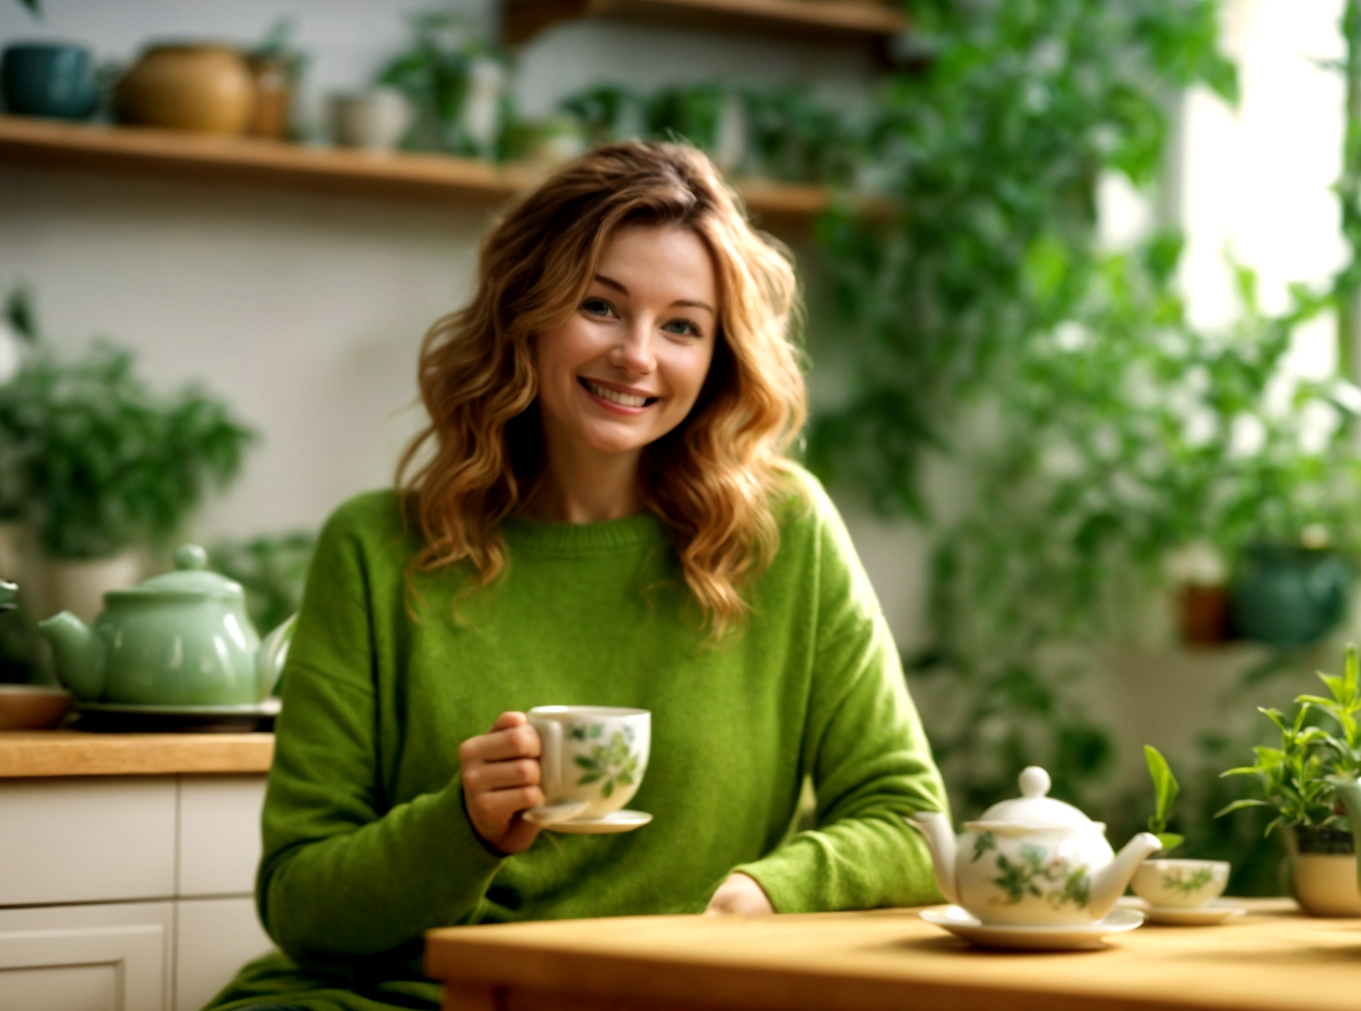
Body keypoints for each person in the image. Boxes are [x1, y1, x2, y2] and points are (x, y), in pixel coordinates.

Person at [206, 141, 947, 1011]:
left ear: (717, 357)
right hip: (401, 996)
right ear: (527, 311)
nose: (637, 354)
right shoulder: (374, 549)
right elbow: (301, 904)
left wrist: (764, 893)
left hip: (667, 994)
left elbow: (910, 823)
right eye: (601, 305)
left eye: (682, 325)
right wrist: (465, 827)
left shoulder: (783, 533)